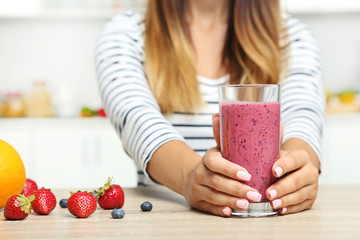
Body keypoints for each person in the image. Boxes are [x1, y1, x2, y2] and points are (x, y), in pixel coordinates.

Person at [95, 0, 325, 217]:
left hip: (270, 221)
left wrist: (295, 175)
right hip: (166, 220)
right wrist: (189, 178)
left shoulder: (291, 38)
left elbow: (303, 119)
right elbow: (137, 121)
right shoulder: (126, 34)